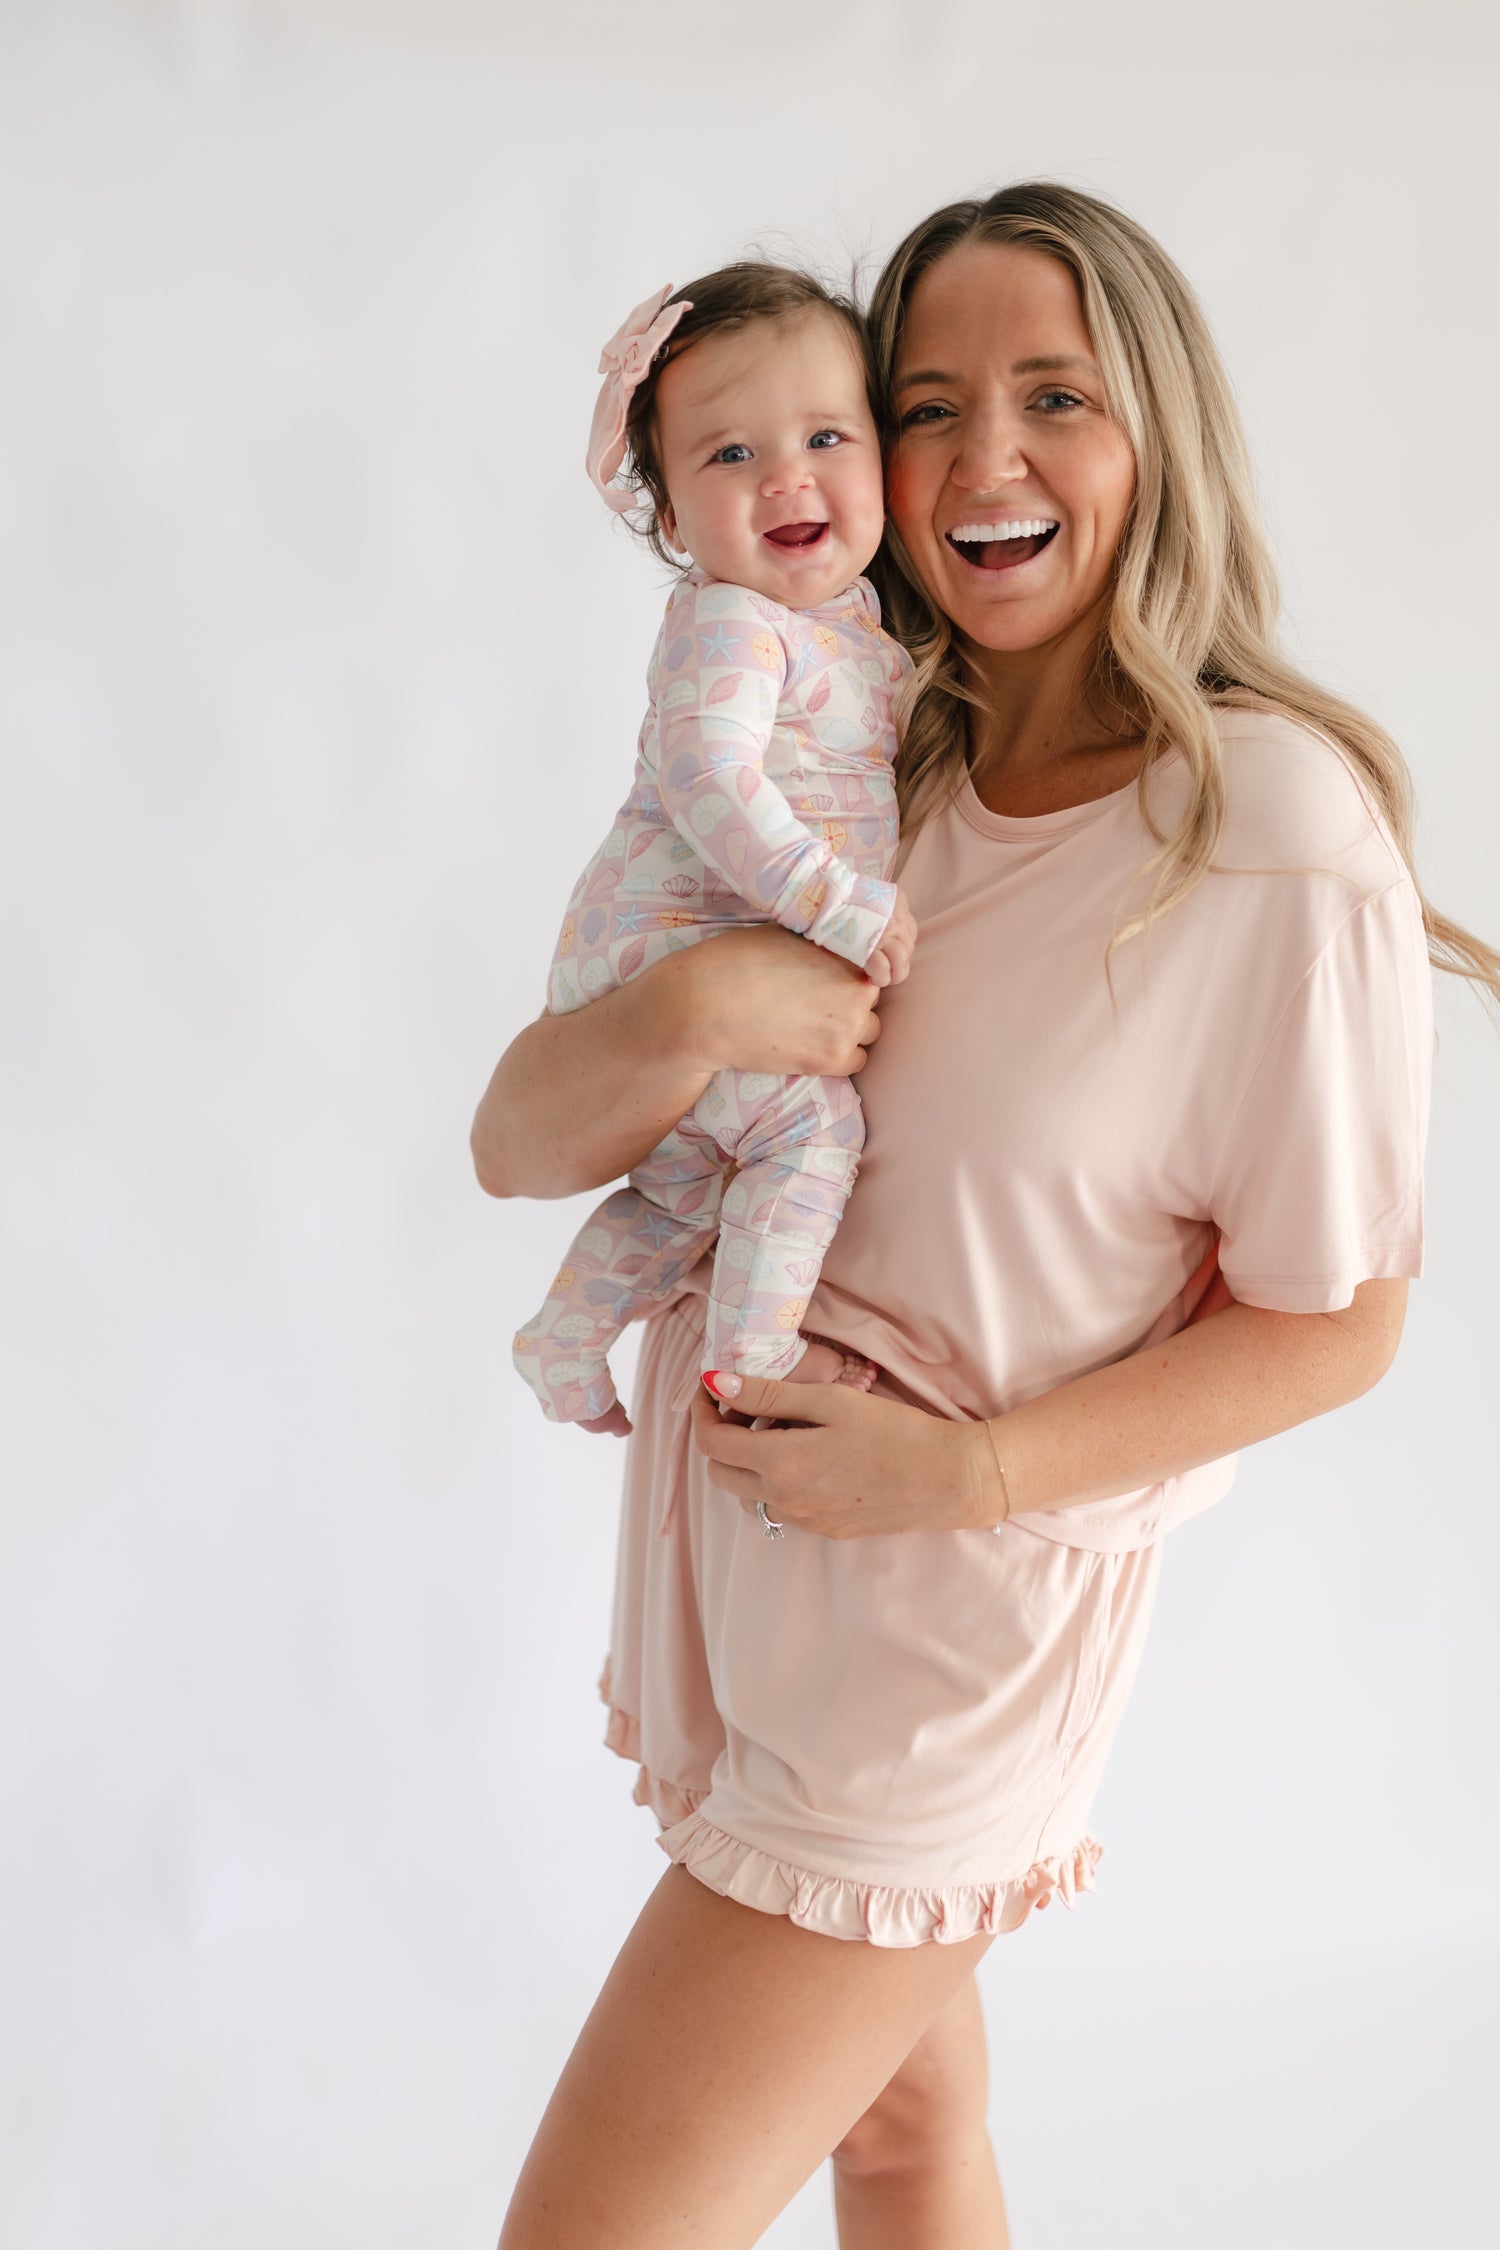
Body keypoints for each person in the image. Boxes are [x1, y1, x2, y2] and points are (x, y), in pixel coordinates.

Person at [473, 184, 1499, 2250]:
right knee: (903, 2141)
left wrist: (966, 1474)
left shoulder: (1267, 830)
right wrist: (693, 1007)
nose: (983, 458)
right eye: (925, 405)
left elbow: (1342, 1318)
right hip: (757, 1593)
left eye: (1057, 395)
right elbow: (517, 1141)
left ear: (1159, 432)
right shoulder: (860, 761)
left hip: (937, 1652)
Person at [513, 265, 916, 1439]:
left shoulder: (849, 625)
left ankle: (563, 1340)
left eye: (826, 437)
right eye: (730, 453)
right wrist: (833, 902)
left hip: (701, 945)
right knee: (810, 1130)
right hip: (674, 939)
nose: (786, 476)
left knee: (686, 1185)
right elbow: (707, 776)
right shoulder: (734, 618)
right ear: (674, 522)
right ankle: (754, 1366)